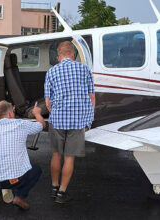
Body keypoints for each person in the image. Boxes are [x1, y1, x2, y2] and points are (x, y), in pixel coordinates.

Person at [44, 41, 96, 203]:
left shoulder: (51, 72)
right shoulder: (85, 69)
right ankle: (61, 194)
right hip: (77, 121)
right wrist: (88, 120)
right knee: (69, 158)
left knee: (56, 155)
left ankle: (54, 187)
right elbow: (92, 97)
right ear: (73, 55)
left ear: (59, 56)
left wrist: (57, 113)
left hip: (58, 120)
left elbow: (47, 102)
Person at [0, 100, 45, 210]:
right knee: (36, 170)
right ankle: (20, 197)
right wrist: (37, 113)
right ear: (11, 113)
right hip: (14, 180)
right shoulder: (20, 124)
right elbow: (41, 125)